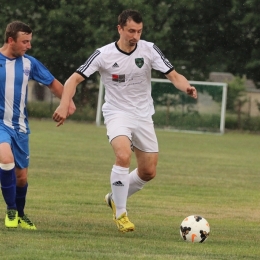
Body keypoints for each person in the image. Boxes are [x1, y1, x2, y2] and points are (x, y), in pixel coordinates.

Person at [52, 9, 197, 233]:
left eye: (139, 31)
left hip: (143, 115)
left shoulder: (149, 49)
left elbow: (174, 76)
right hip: (117, 113)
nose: (135, 36)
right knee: (122, 155)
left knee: (148, 171)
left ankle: (114, 196)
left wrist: (186, 87)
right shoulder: (103, 54)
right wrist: (64, 103)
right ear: (119, 28)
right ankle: (121, 213)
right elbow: (74, 79)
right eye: (131, 31)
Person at [0, 21, 76, 229]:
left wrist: (66, 103)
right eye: (24, 42)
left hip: (20, 126)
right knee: (5, 158)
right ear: (10, 40)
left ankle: (21, 212)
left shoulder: (29, 63)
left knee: (21, 177)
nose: (28, 46)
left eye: (29, 41)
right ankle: (11, 210)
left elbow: (53, 84)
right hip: (0, 125)